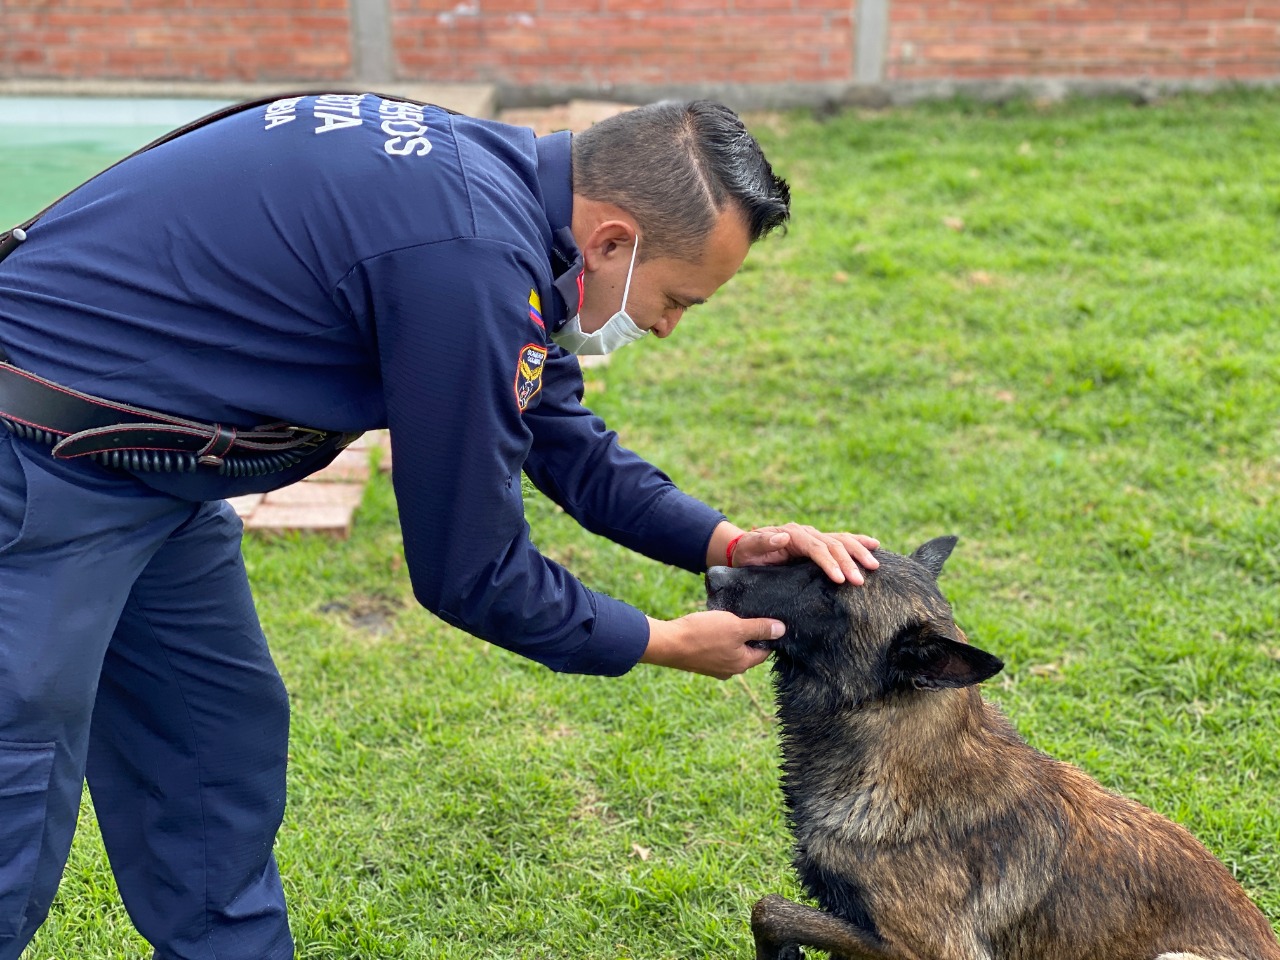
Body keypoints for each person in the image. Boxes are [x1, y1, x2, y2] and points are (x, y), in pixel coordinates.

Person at [0, 93, 879, 959]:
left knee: (209, 737)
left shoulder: (503, 200)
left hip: (151, 467)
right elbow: (473, 569)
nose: (667, 327)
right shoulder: (466, 258)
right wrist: (660, 639)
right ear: (613, 238)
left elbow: (558, 433)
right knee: (18, 792)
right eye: (679, 298)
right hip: (36, 462)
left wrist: (726, 543)